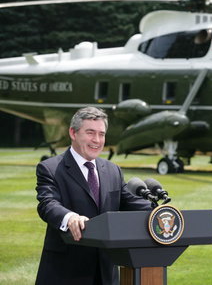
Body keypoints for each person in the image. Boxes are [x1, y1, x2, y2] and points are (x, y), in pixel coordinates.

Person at [35, 107, 152, 285]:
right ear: (73, 133)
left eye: (101, 134)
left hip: (106, 274)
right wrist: (70, 217)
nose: (97, 140)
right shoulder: (49, 168)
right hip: (65, 273)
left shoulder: (113, 170)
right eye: (90, 133)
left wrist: (161, 212)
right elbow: (48, 204)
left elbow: (132, 203)